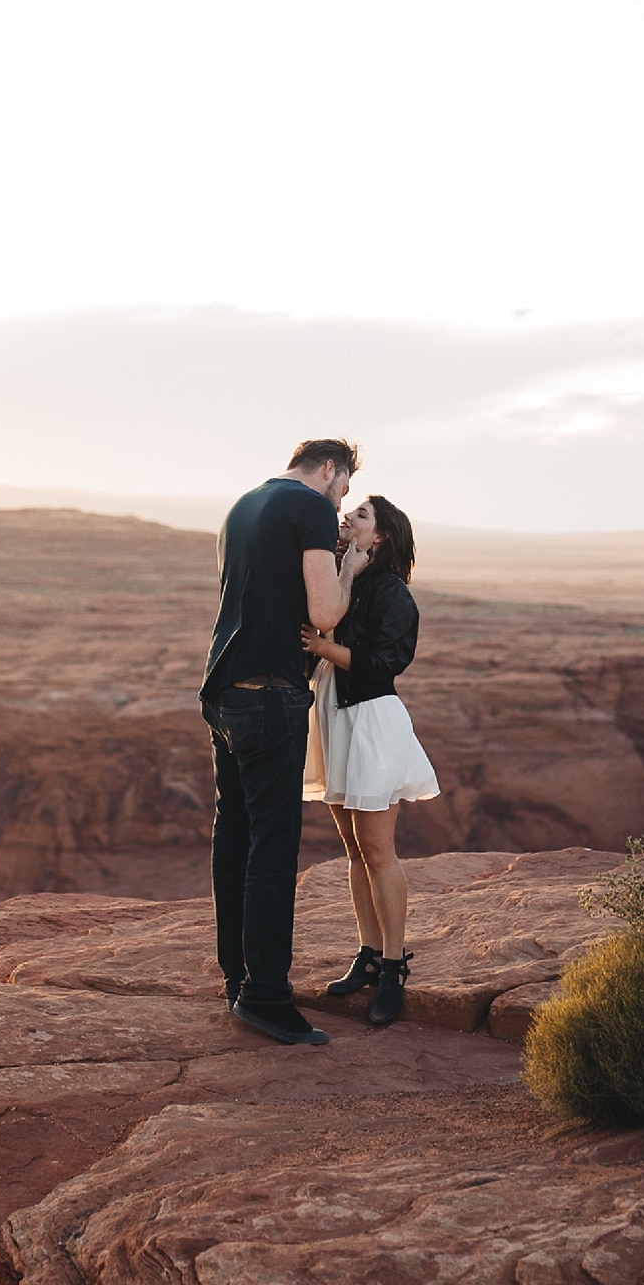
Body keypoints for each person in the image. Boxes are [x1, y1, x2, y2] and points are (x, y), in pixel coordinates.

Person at [200, 438, 366, 1046]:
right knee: (272, 848)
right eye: (343, 488)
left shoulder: (243, 504)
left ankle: (235, 980)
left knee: (235, 838)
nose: (340, 501)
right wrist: (349, 566)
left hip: (223, 691)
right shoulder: (311, 506)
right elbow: (324, 613)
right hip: (270, 696)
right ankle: (266, 997)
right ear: (330, 470)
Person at [301, 494, 438, 1027]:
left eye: (360, 515)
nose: (347, 518)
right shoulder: (343, 576)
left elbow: (385, 665)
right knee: (355, 853)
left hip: (372, 724)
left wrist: (321, 647)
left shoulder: (392, 593)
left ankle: (393, 966)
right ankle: (367, 953)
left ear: (379, 536)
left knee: (379, 852)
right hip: (336, 719)